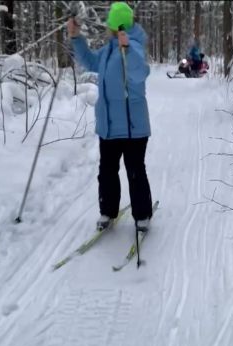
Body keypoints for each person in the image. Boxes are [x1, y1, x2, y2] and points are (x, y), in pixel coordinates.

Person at [68, 2, 153, 232]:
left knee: (135, 171)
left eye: (110, 25)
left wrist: (128, 50)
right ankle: (107, 212)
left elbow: (140, 73)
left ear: (117, 26)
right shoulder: (108, 49)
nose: (106, 28)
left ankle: (143, 215)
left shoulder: (133, 46)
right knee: (106, 171)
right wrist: (76, 38)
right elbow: (91, 62)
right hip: (109, 126)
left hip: (132, 126)